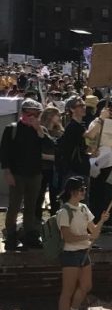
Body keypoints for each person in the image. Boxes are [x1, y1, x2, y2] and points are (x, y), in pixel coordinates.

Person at [56, 176, 110, 310]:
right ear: (73, 192)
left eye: (84, 189)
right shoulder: (64, 212)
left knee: (86, 286)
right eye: (81, 189)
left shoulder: (84, 208)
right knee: (67, 291)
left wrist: (101, 220)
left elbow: (94, 231)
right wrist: (87, 238)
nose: (84, 191)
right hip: (70, 254)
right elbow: (68, 237)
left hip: (84, 253)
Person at [1, 98, 46, 251]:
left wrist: (39, 129)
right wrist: (7, 171)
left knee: (31, 206)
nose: (32, 117)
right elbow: (4, 153)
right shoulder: (11, 128)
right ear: (23, 113)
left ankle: (29, 235)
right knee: (14, 206)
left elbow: (50, 145)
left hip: (35, 174)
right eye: (29, 113)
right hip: (17, 174)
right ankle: (11, 236)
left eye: (36, 114)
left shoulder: (39, 129)